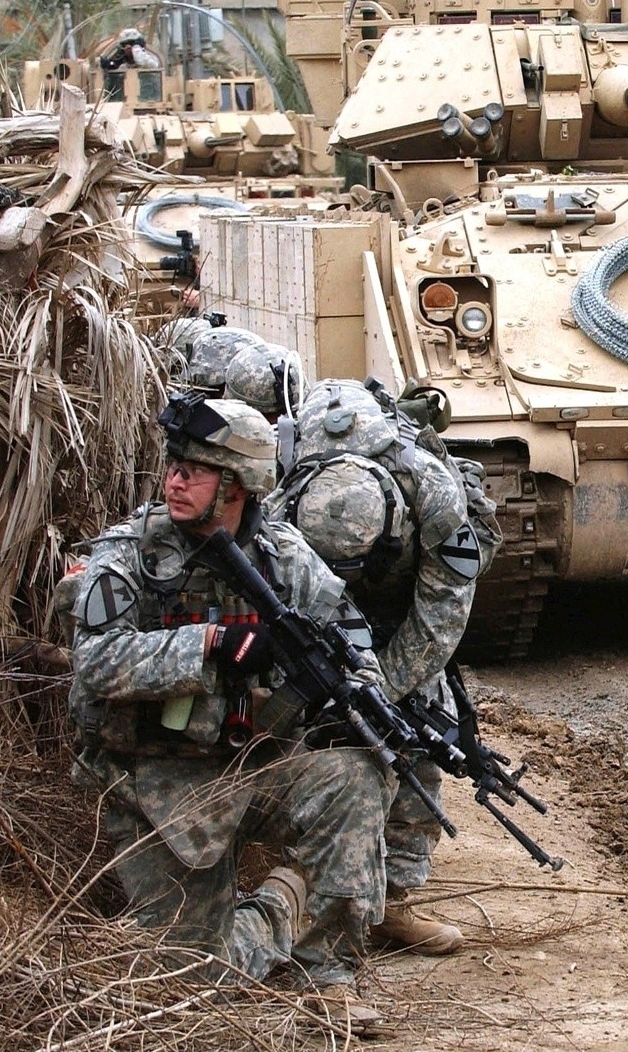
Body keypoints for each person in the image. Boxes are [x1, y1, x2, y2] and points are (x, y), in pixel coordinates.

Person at [69, 391, 392, 1031]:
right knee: (192, 983)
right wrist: (211, 645)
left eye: (196, 470)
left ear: (239, 485)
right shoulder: (131, 553)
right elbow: (97, 663)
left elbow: (353, 640)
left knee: (357, 775)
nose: (176, 480)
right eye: (174, 465)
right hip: (157, 782)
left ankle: (329, 976)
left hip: (253, 766)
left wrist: (352, 694)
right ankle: (278, 905)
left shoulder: (283, 557)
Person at [273, 379, 502, 956]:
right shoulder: (278, 497)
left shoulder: (433, 492)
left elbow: (442, 615)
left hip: (407, 598)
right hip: (315, 597)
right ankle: (305, 877)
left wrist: (382, 691)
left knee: (417, 727)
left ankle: (392, 900)